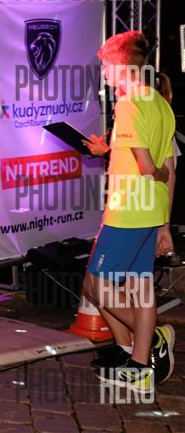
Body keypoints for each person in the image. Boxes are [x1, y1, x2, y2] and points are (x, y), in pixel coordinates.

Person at [82, 31, 176, 393]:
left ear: (121, 65)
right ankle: (136, 364)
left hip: (128, 211)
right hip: (150, 210)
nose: (104, 72)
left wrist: (154, 172)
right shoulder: (159, 103)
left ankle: (151, 338)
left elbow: (150, 167)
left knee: (95, 286)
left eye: (106, 65)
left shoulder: (129, 104)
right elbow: (168, 168)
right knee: (141, 287)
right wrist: (164, 224)